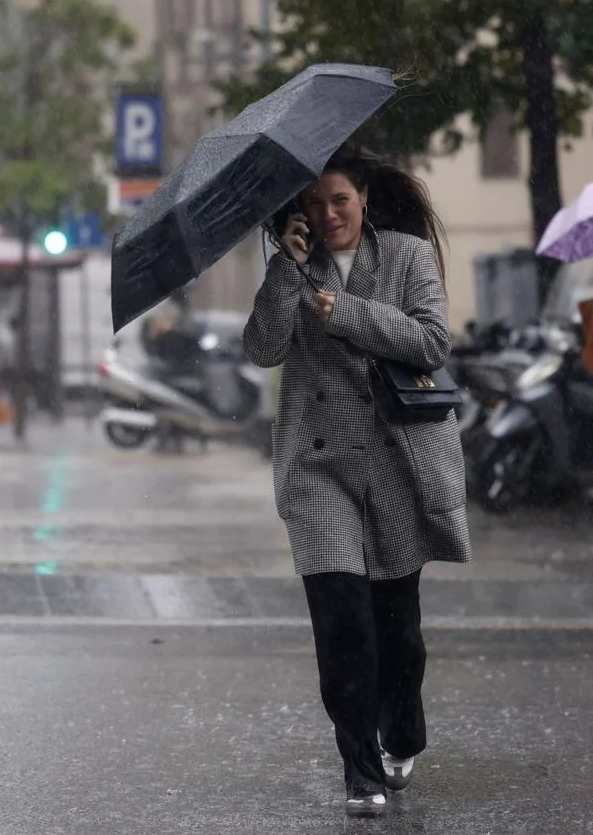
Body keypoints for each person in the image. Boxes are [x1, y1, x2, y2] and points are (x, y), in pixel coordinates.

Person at [242, 142, 471, 817]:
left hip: (393, 462)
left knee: (397, 631)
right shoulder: (290, 264)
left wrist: (346, 314)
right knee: (342, 622)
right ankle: (359, 769)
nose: (327, 213)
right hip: (317, 469)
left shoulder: (406, 256)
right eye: (313, 203)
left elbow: (432, 342)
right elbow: (261, 350)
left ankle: (401, 730)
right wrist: (285, 271)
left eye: (339, 199)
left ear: (364, 199)